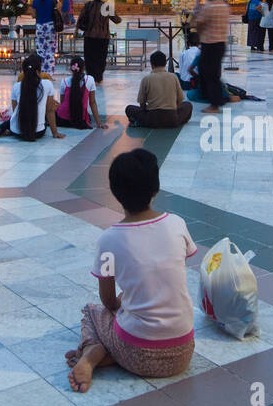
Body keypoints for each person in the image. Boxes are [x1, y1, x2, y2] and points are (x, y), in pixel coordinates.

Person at [66, 149, 197, 393]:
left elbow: (107, 301)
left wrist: (123, 305)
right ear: (155, 189)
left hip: (137, 352)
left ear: (116, 193)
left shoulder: (109, 240)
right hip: (182, 352)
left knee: (92, 311)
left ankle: (93, 354)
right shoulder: (177, 224)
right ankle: (110, 356)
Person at [0, 53, 62, 140]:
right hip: (38, 132)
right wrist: (55, 133)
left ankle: (0, 128)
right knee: (43, 115)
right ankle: (3, 129)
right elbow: (49, 111)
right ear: (38, 71)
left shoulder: (16, 86)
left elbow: (15, 111)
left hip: (17, 131)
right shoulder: (47, 84)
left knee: (15, 117)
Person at [124, 51, 192, 128]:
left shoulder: (146, 79)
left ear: (151, 64)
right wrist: (173, 110)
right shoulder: (174, 77)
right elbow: (180, 100)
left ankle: (141, 122)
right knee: (188, 105)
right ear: (165, 63)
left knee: (129, 108)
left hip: (152, 120)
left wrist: (147, 110)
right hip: (172, 119)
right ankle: (178, 121)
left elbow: (142, 103)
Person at [193, 0, 230, 112]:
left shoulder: (209, 7)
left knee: (208, 74)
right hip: (221, 44)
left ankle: (215, 104)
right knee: (213, 73)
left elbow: (199, 23)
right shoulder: (224, 6)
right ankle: (218, 98)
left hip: (210, 44)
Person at [77, 0, 121, 83]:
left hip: (90, 36)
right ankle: (98, 77)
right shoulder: (106, 7)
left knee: (89, 57)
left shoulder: (88, 5)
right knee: (101, 57)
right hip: (103, 37)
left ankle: (91, 77)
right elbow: (117, 20)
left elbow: (80, 20)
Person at [57, 56, 100, 129]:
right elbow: (92, 102)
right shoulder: (90, 79)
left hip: (63, 119)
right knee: (88, 116)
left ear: (71, 68)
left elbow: (62, 102)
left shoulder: (64, 81)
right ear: (83, 68)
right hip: (81, 120)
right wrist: (99, 123)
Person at [31, 0, 60, 75]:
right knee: (50, 52)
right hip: (50, 27)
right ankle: (49, 74)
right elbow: (58, 10)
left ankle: (39, 72)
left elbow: (33, 15)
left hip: (40, 27)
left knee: (40, 51)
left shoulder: (35, 0)